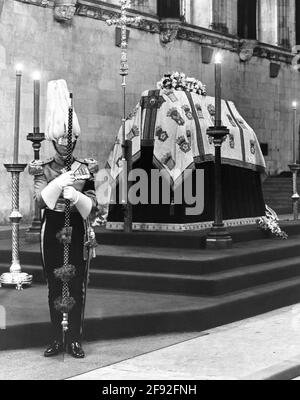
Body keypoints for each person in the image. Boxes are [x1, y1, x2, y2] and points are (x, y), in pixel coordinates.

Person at [29, 80, 98, 358]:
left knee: (77, 284)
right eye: (63, 141)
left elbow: (94, 207)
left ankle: (75, 339)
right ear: (54, 142)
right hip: (54, 225)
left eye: (71, 141)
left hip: (77, 227)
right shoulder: (43, 169)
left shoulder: (85, 168)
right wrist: (58, 184)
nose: (67, 146)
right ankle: (57, 337)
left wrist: (77, 196)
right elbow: (38, 201)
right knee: (54, 285)